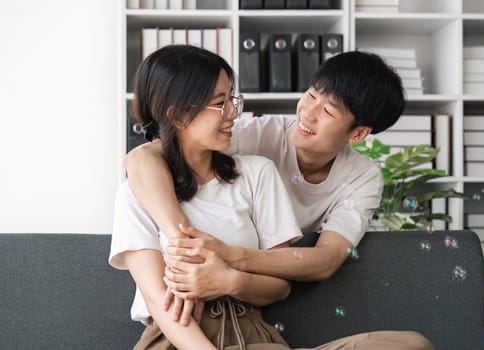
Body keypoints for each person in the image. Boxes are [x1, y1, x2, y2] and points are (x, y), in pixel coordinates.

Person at [121, 46, 435, 349]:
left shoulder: (275, 173)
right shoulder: (257, 136)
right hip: (183, 334)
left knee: (412, 345)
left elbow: (323, 262)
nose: (307, 114)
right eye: (311, 95)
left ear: (357, 134)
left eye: (326, 111)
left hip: (252, 324)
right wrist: (184, 244)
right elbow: (143, 158)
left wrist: (228, 264)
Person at [110, 45, 304, 349]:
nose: (233, 114)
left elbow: (280, 287)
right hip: (176, 337)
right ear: (178, 114)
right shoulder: (136, 193)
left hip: (251, 334)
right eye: (219, 103)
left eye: (231, 100)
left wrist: (229, 280)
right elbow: (157, 299)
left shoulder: (257, 174)